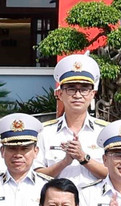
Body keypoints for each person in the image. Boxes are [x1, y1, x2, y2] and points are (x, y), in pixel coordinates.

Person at [36, 54, 108, 188]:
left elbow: (115, 175)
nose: (77, 95)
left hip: (96, 200)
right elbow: (36, 176)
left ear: (92, 94)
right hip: (58, 200)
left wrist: (83, 158)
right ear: (60, 94)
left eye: (84, 89)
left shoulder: (105, 131)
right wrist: (64, 162)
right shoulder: (44, 132)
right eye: (71, 89)